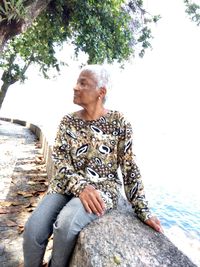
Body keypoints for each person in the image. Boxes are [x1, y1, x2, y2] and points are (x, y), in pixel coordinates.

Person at [23, 64, 163, 267]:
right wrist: (80, 187)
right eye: (77, 82)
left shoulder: (119, 122)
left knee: (66, 225)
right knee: (33, 229)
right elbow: (60, 160)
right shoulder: (68, 121)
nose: (75, 87)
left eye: (83, 83)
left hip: (101, 188)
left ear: (101, 92)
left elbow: (129, 167)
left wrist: (143, 210)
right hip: (66, 184)